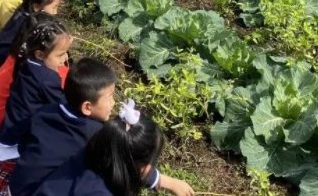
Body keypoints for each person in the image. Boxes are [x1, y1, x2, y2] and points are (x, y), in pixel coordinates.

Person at [10, 59, 193, 196]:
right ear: (87, 107)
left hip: (22, 183)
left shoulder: (50, 111)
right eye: (110, 97)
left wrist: (165, 181)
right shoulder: (92, 139)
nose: (115, 103)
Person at [36, 105, 195, 196]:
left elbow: (128, 159)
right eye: (151, 162)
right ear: (138, 167)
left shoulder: (98, 151)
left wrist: (168, 182)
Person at [0, 18, 72, 196]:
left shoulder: (27, 64)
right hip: (15, 150)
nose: (65, 59)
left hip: (6, 136)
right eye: (60, 55)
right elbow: (64, 106)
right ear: (40, 54)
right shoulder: (47, 78)